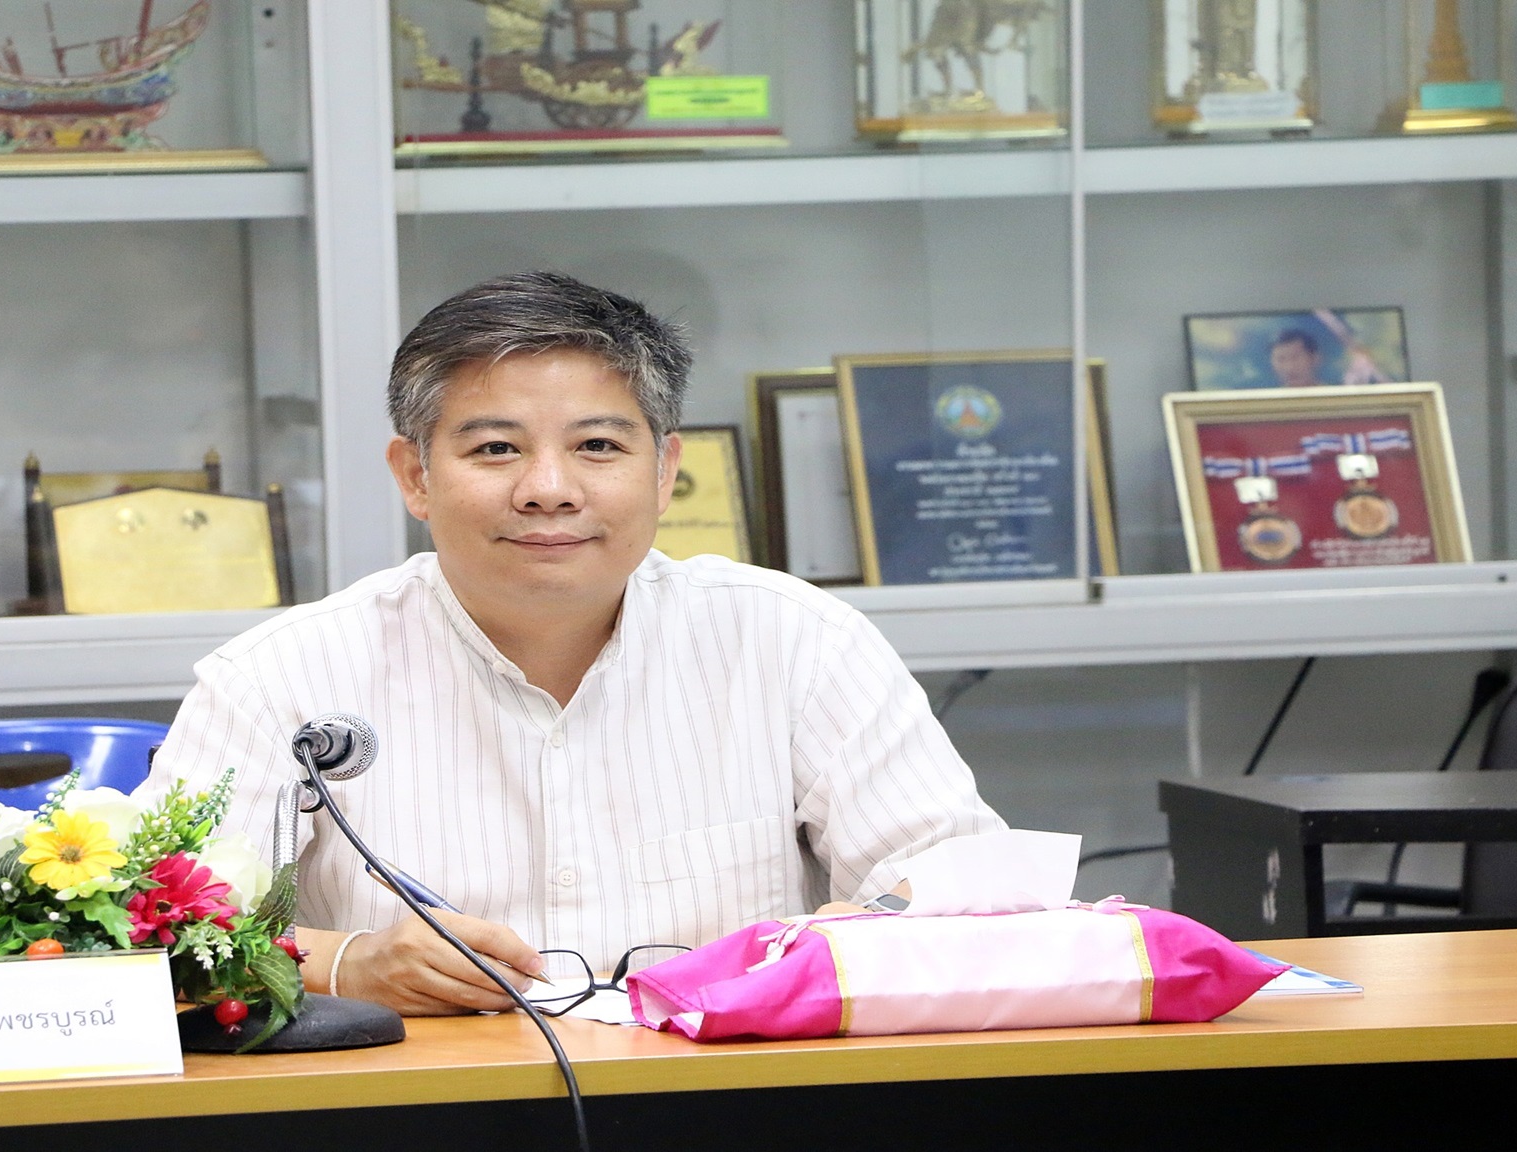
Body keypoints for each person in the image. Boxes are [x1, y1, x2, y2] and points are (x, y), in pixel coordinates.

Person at [140, 272, 1005, 1016]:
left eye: (597, 445)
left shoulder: (797, 642)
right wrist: (345, 966)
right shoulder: (278, 678)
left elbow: (974, 891)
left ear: (664, 472)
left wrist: (861, 934)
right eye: (495, 448)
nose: (548, 489)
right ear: (415, 476)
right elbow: (142, 934)